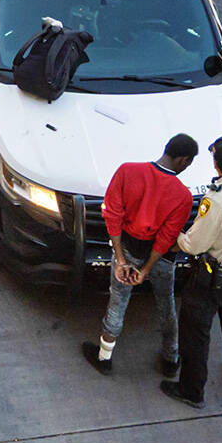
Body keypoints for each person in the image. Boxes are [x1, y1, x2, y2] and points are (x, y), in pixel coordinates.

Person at [82, 133, 198, 376]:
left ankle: (104, 357)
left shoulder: (127, 171)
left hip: (127, 248)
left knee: (118, 300)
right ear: (183, 160)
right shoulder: (183, 196)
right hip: (161, 258)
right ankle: (170, 358)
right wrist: (146, 270)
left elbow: (112, 214)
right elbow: (167, 237)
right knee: (166, 304)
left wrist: (121, 259)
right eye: (190, 162)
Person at [161, 136, 222, 408]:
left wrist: (174, 233)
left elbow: (195, 245)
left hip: (213, 278)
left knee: (195, 332)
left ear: (216, 164)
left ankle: (191, 391)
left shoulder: (216, 200)